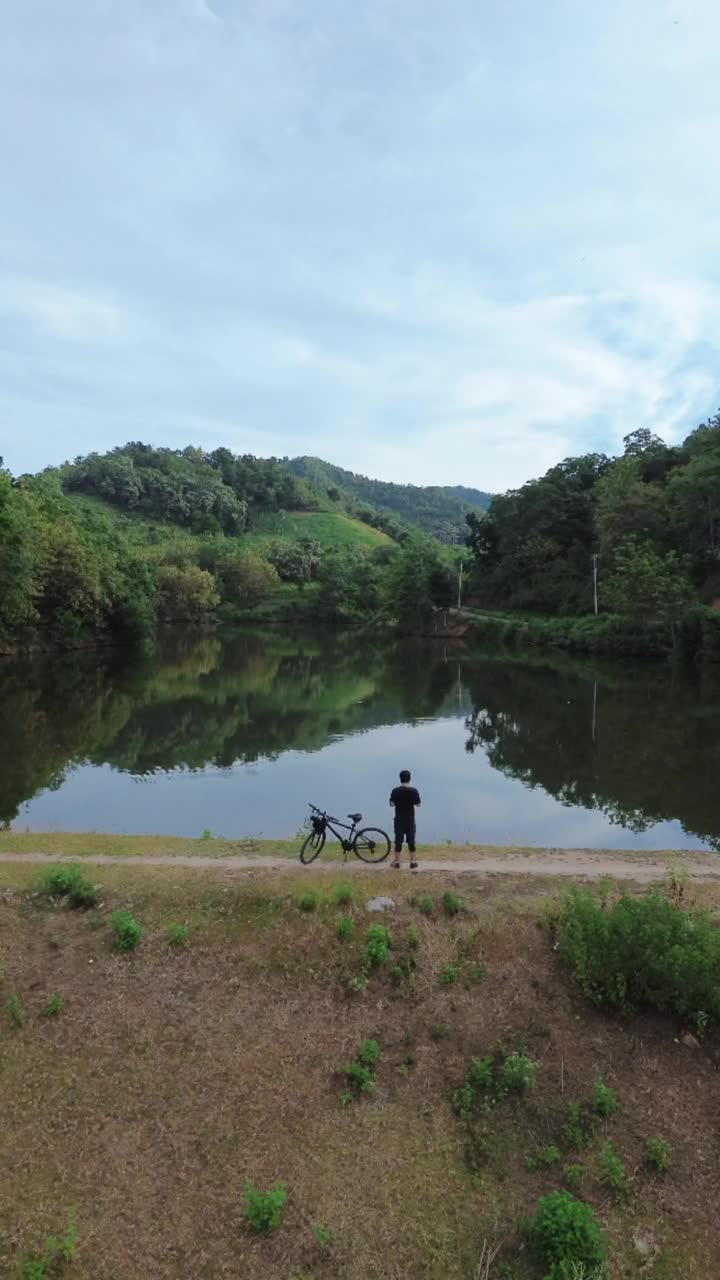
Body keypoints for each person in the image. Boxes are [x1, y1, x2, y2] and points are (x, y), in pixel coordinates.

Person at [389, 769, 421, 870]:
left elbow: (391, 804)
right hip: (410, 819)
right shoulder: (414, 791)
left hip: (399, 818)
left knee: (398, 840)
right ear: (409, 779)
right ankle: (413, 862)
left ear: (400, 779)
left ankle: (397, 862)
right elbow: (418, 804)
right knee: (411, 840)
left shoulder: (395, 791)